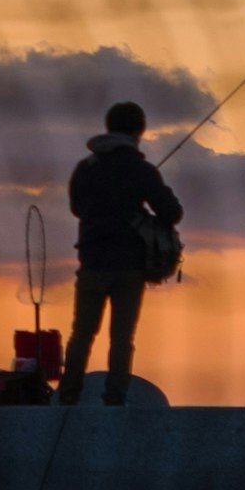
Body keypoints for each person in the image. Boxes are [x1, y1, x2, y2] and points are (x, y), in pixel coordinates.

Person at [62, 100, 183, 406]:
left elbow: (77, 208)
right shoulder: (141, 169)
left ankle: (68, 395)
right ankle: (115, 398)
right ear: (139, 131)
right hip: (129, 264)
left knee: (82, 334)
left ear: (108, 127)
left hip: (91, 262)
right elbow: (172, 212)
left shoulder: (85, 168)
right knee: (122, 337)